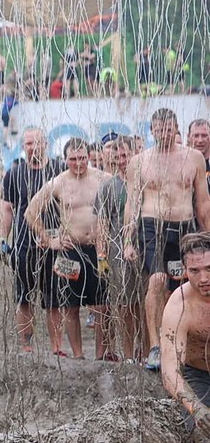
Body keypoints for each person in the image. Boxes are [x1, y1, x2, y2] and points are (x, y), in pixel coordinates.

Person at [124, 108, 210, 370]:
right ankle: (155, 347)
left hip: (185, 225)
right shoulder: (139, 161)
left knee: (187, 283)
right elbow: (132, 203)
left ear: (176, 129)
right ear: (152, 130)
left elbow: (203, 202)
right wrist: (128, 240)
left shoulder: (193, 158)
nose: (164, 133)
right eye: (159, 129)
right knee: (157, 280)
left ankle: (188, 345)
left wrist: (207, 234)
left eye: (169, 129)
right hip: (152, 225)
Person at [24, 138, 111, 360]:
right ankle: (78, 355)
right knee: (71, 306)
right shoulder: (58, 183)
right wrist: (49, 240)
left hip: (98, 250)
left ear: (89, 157)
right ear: (65, 159)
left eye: (82, 158)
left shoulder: (102, 179)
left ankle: (101, 355)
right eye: (73, 159)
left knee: (102, 306)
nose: (78, 163)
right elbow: (30, 213)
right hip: (70, 251)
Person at [0, 128, 64, 351]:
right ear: (23, 147)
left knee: (54, 299)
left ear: (45, 144)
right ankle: (25, 344)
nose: (33, 147)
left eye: (37, 142)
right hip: (23, 245)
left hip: (54, 245)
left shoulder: (59, 170)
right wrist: (3, 237)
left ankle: (56, 347)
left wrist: (63, 234)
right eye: (29, 144)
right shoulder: (15, 173)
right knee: (23, 297)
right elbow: (7, 209)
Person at [158, 231, 210, 443]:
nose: (204, 278)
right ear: (184, 270)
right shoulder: (179, 305)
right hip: (196, 376)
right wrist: (196, 408)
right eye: (195, 271)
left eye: (209, 269)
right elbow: (170, 372)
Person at [95, 137, 142, 362]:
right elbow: (102, 224)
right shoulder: (107, 187)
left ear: (135, 154)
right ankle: (129, 354)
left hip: (145, 247)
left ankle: (147, 351)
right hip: (117, 253)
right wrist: (101, 255)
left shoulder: (145, 182)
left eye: (126, 155)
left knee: (145, 303)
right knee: (125, 304)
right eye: (118, 157)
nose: (122, 161)